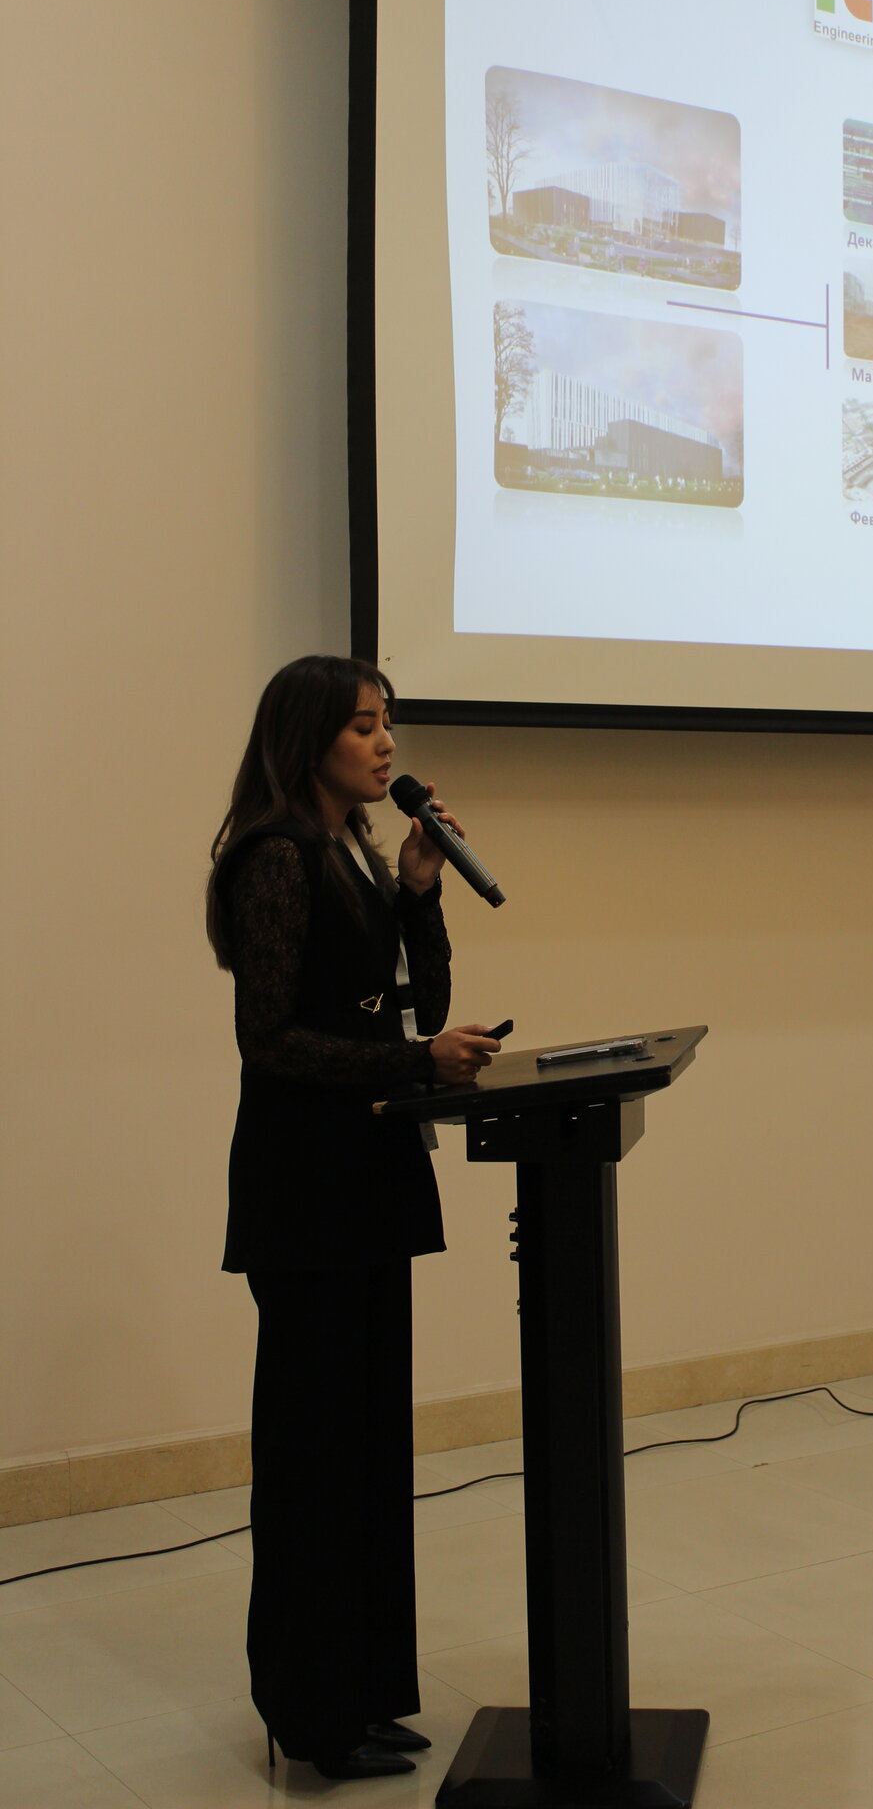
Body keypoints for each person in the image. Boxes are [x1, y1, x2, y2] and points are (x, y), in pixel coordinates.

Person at [206, 654, 501, 1781]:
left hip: (366, 1176)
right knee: (314, 1457)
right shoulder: (277, 857)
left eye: (388, 725)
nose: (386, 745)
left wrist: (419, 894)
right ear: (308, 739)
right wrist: (411, 1060)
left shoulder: (355, 854)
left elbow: (416, 1004)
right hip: (307, 1191)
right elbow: (271, 1039)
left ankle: (364, 1693)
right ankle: (307, 1712)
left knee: (369, 1451)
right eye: (364, 726)